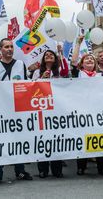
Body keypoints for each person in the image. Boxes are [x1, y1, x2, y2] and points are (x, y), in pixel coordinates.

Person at [0, 38, 33, 185]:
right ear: (1, 49)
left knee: (18, 139)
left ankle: (20, 170)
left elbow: (26, 85)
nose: (9, 49)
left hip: (17, 108)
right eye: (6, 46)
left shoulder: (20, 65)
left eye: (11, 47)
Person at [70, 36, 103, 176]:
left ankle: (102, 167)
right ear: (82, 63)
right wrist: (78, 43)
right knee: (83, 139)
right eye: (86, 59)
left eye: (92, 59)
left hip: (98, 113)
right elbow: (73, 61)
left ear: (95, 64)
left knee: (100, 140)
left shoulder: (101, 75)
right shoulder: (78, 74)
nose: (89, 60)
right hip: (82, 112)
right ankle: (81, 166)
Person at [32, 50, 65, 178]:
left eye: (51, 54)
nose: (49, 56)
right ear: (43, 59)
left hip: (56, 110)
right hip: (42, 109)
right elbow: (32, 87)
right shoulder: (36, 72)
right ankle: (43, 169)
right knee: (42, 140)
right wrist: (41, 79)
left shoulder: (59, 72)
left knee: (56, 140)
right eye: (46, 55)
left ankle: (57, 169)